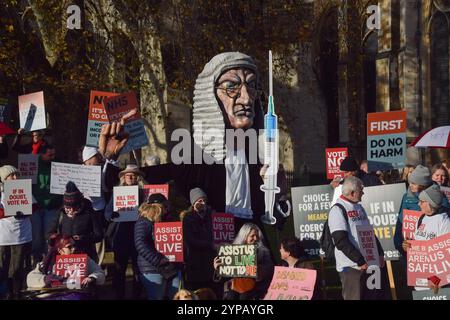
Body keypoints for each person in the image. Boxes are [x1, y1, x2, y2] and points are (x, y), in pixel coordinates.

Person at [99, 52, 289, 242]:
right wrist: (110, 159)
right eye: (231, 86)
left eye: (252, 85)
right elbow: (134, 181)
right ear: (210, 95)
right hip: (216, 246)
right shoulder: (197, 157)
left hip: (255, 241)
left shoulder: (261, 157)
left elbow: (275, 217)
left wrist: (278, 195)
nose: (246, 98)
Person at [328, 176, 385, 300]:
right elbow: (340, 241)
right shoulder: (338, 209)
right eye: (361, 190)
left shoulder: (359, 207)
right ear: (353, 193)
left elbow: (369, 233)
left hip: (371, 262)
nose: (363, 192)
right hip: (352, 266)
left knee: (374, 297)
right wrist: (360, 260)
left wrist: (379, 253)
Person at [104, 164, 144, 299]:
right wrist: (112, 214)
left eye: (134, 175)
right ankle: (120, 296)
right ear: (124, 177)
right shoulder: (117, 193)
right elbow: (107, 212)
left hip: (138, 235)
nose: (131, 177)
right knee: (119, 270)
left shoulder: (143, 193)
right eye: (128, 175)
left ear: (137, 177)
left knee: (138, 270)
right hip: (121, 236)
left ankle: (136, 296)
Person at [26, 234, 105, 300]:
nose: (74, 249)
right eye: (69, 247)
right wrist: (45, 279)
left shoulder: (84, 259)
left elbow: (99, 272)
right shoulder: (49, 262)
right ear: (60, 250)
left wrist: (92, 278)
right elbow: (30, 278)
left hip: (76, 293)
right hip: (52, 294)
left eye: (74, 245)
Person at [402, 184, 450, 291]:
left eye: (422, 201)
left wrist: (438, 280)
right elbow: (416, 244)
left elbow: (447, 255)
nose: (419, 204)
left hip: (437, 282)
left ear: (430, 203)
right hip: (421, 280)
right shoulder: (421, 218)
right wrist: (408, 246)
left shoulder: (444, 221)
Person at [134, 197, 181, 300]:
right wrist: (158, 260)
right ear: (158, 207)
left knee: (176, 296)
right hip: (152, 268)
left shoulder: (168, 219)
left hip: (172, 267)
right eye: (165, 206)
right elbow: (140, 244)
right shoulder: (144, 221)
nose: (167, 208)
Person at [213, 223, 274, 300]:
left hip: (254, 288)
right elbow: (222, 278)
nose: (255, 238)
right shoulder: (232, 251)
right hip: (235, 288)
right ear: (244, 236)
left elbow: (269, 271)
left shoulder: (263, 252)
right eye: (252, 236)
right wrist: (218, 268)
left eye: (257, 236)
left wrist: (258, 269)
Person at [47, 181, 103, 262]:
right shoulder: (61, 213)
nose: (71, 210)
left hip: (85, 255)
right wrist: (60, 240)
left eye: (75, 207)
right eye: (68, 207)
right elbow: (49, 233)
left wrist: (81, 239)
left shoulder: (89, 212)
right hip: (65, 256)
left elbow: (99, 235)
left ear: (80, 203)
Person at [0, 165, 32, 299]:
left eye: (16, 175)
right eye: (11, 175)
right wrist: (10, 212)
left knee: (18, 267)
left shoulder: (24, 189)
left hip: (21, 235)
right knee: (3, 266)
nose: (15, 177)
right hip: (3, 236)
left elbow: (33, 207)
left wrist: (24, 211)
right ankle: (6, 292)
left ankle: (17, 291)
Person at [182, 188, 219, 296]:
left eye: (205, 201)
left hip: (211, 263)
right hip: (195, 263)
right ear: (193, 203)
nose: (203, 203)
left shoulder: (212, 216)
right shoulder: (187, 218)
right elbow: (190, 240)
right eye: (200, 201)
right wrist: (210, 244)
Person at [31, 144, 62, 263]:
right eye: (50, 155)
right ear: (42, 154)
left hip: (52, 207)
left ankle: (47, 260)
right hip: (36, 207)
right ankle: (36, 261)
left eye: (54, 154)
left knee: (48, 236)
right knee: (36, 236)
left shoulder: (58, 164)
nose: (52, 157)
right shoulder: (33, 164)